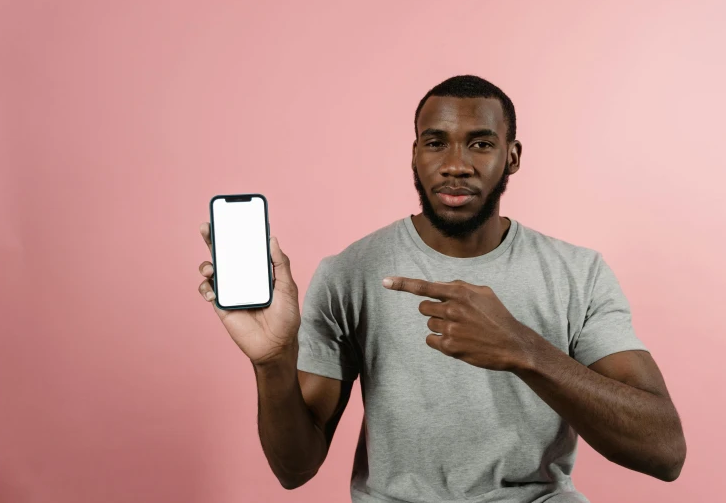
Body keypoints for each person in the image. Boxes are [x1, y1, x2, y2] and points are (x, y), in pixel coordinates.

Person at [196, 75, 686, 503]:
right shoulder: (348, 272)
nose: (456, 164)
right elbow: (294, 470)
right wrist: (272, 360)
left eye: (480, 143)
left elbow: (665, 453)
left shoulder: (579, 272)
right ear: (414, 154)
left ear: (512, 157)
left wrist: (525, 350)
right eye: (436, 143)